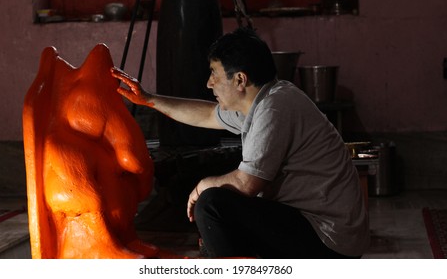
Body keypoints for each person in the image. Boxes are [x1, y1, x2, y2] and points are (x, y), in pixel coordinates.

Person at [111, 27, 370, 259]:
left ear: (240, 80)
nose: (209, 83)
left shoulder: (275, 108)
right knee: (219, 224)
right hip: (311, 226)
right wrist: (148, 99)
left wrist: (202, 185)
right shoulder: (263, 101)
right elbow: (207, 114)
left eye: (214, 74)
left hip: (329, 242)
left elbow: (247, 185)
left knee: (212, 205)